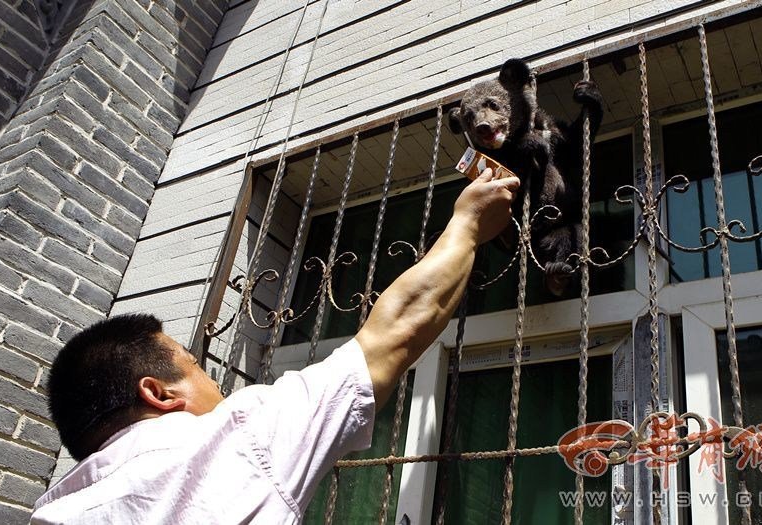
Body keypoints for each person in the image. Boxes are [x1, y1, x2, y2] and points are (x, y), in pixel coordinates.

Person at [31, 169, 520, 524]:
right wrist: (469, 223)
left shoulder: (56, 512)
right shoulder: (230, 444)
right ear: (159, 394)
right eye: (197, 367)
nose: (214, 383)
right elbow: (394, 335)